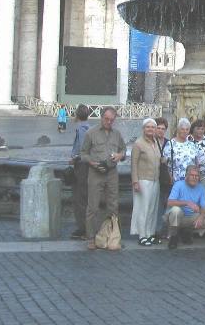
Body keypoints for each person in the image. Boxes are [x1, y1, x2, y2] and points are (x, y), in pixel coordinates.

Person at [80, 106, 126, 251]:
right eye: (106, 119)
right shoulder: (91, 133)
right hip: (95, 173)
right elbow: (83, 153)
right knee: (92, 206)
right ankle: (91, 238)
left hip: (112, 173)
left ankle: (113, 236)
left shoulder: (117, 134)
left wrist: (120, 156)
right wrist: (92, 162)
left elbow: (123, 150)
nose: (109, 122)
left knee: (113, 206)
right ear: (101, 118)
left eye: (112, 120)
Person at [165, 165, 205, 249]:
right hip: (175, 216)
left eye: (197, 176)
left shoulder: (201, 188)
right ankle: (173, 236)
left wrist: (201, 217)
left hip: (190, 217)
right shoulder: (178, 184)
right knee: (176, 210)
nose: (194, 178)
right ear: (186, 176)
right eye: (192, 175)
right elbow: (170, 202)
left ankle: (187, 232)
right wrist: (187, 203)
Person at [131, 118, 161, 246]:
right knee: (143, 208)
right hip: (143, 180)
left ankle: (150, 233)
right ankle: (142, 235)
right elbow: (133, 164)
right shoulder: (138, 144)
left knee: (152, 209)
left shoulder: (156, 142)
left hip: (155, 180)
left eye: (153, 127)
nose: (150, 129)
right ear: (143, 129)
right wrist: (135, 181)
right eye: (148, 127)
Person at [69, 104, 92, 240]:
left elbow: (84, 149)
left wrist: (74, 158)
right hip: (85, 165)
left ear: (77, 115)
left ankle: (83, 228)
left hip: (82, 166)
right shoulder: (89, 127)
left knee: (80, 197)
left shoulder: (82, 129)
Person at [162, 118, 205, 185]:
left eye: (187, 129)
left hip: (191, 182)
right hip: (175, 182)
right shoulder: (170, 144)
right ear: (178, 130)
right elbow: (165, 163)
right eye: (182, 129)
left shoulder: (192, 145)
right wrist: (170, 177)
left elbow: (197, 162)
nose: (184, 131)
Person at [153, 117, 170, 241]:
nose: (160, 131)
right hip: (154, 177)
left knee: (166, 205)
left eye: (163, 129)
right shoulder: (151, 142)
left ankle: (165, 230)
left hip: (166, 178)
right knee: (157, 205)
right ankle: (156, 230)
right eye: (158, 128)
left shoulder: (168, 143)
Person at [188, 119, 205, 193]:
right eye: (198, 128)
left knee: (203, 194)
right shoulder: (188, 139)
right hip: (192, 172)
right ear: (193, 129)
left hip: (204, 172)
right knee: (191, 193)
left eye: (202, 129)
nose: (200, 131)